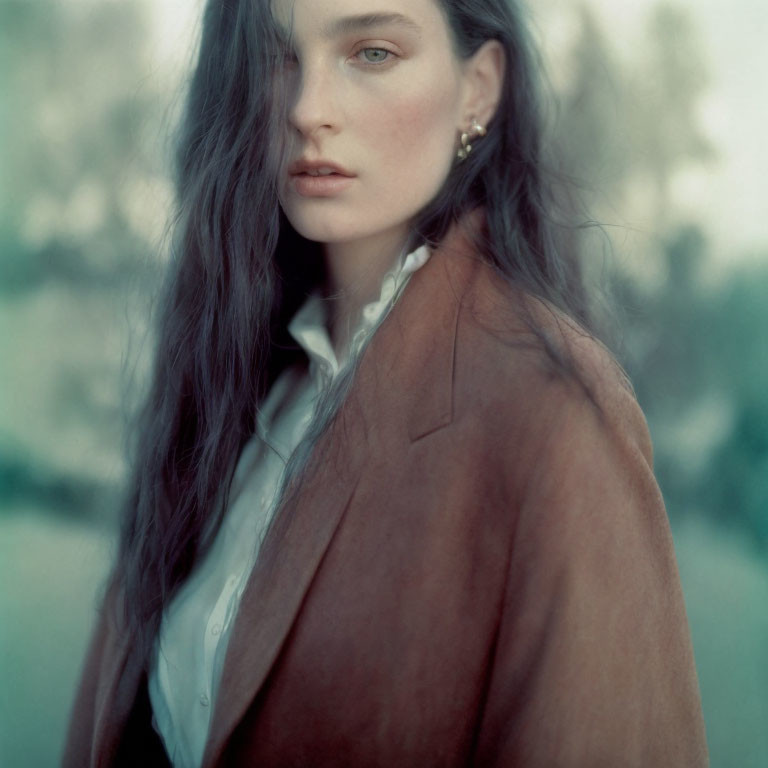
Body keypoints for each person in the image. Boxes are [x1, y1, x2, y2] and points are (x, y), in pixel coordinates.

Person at [63, 0, 709, 765]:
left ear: (478, 89)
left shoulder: (557, 421)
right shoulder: (235, 376)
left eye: (371, 53)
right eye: (278, 59)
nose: (308, 110)